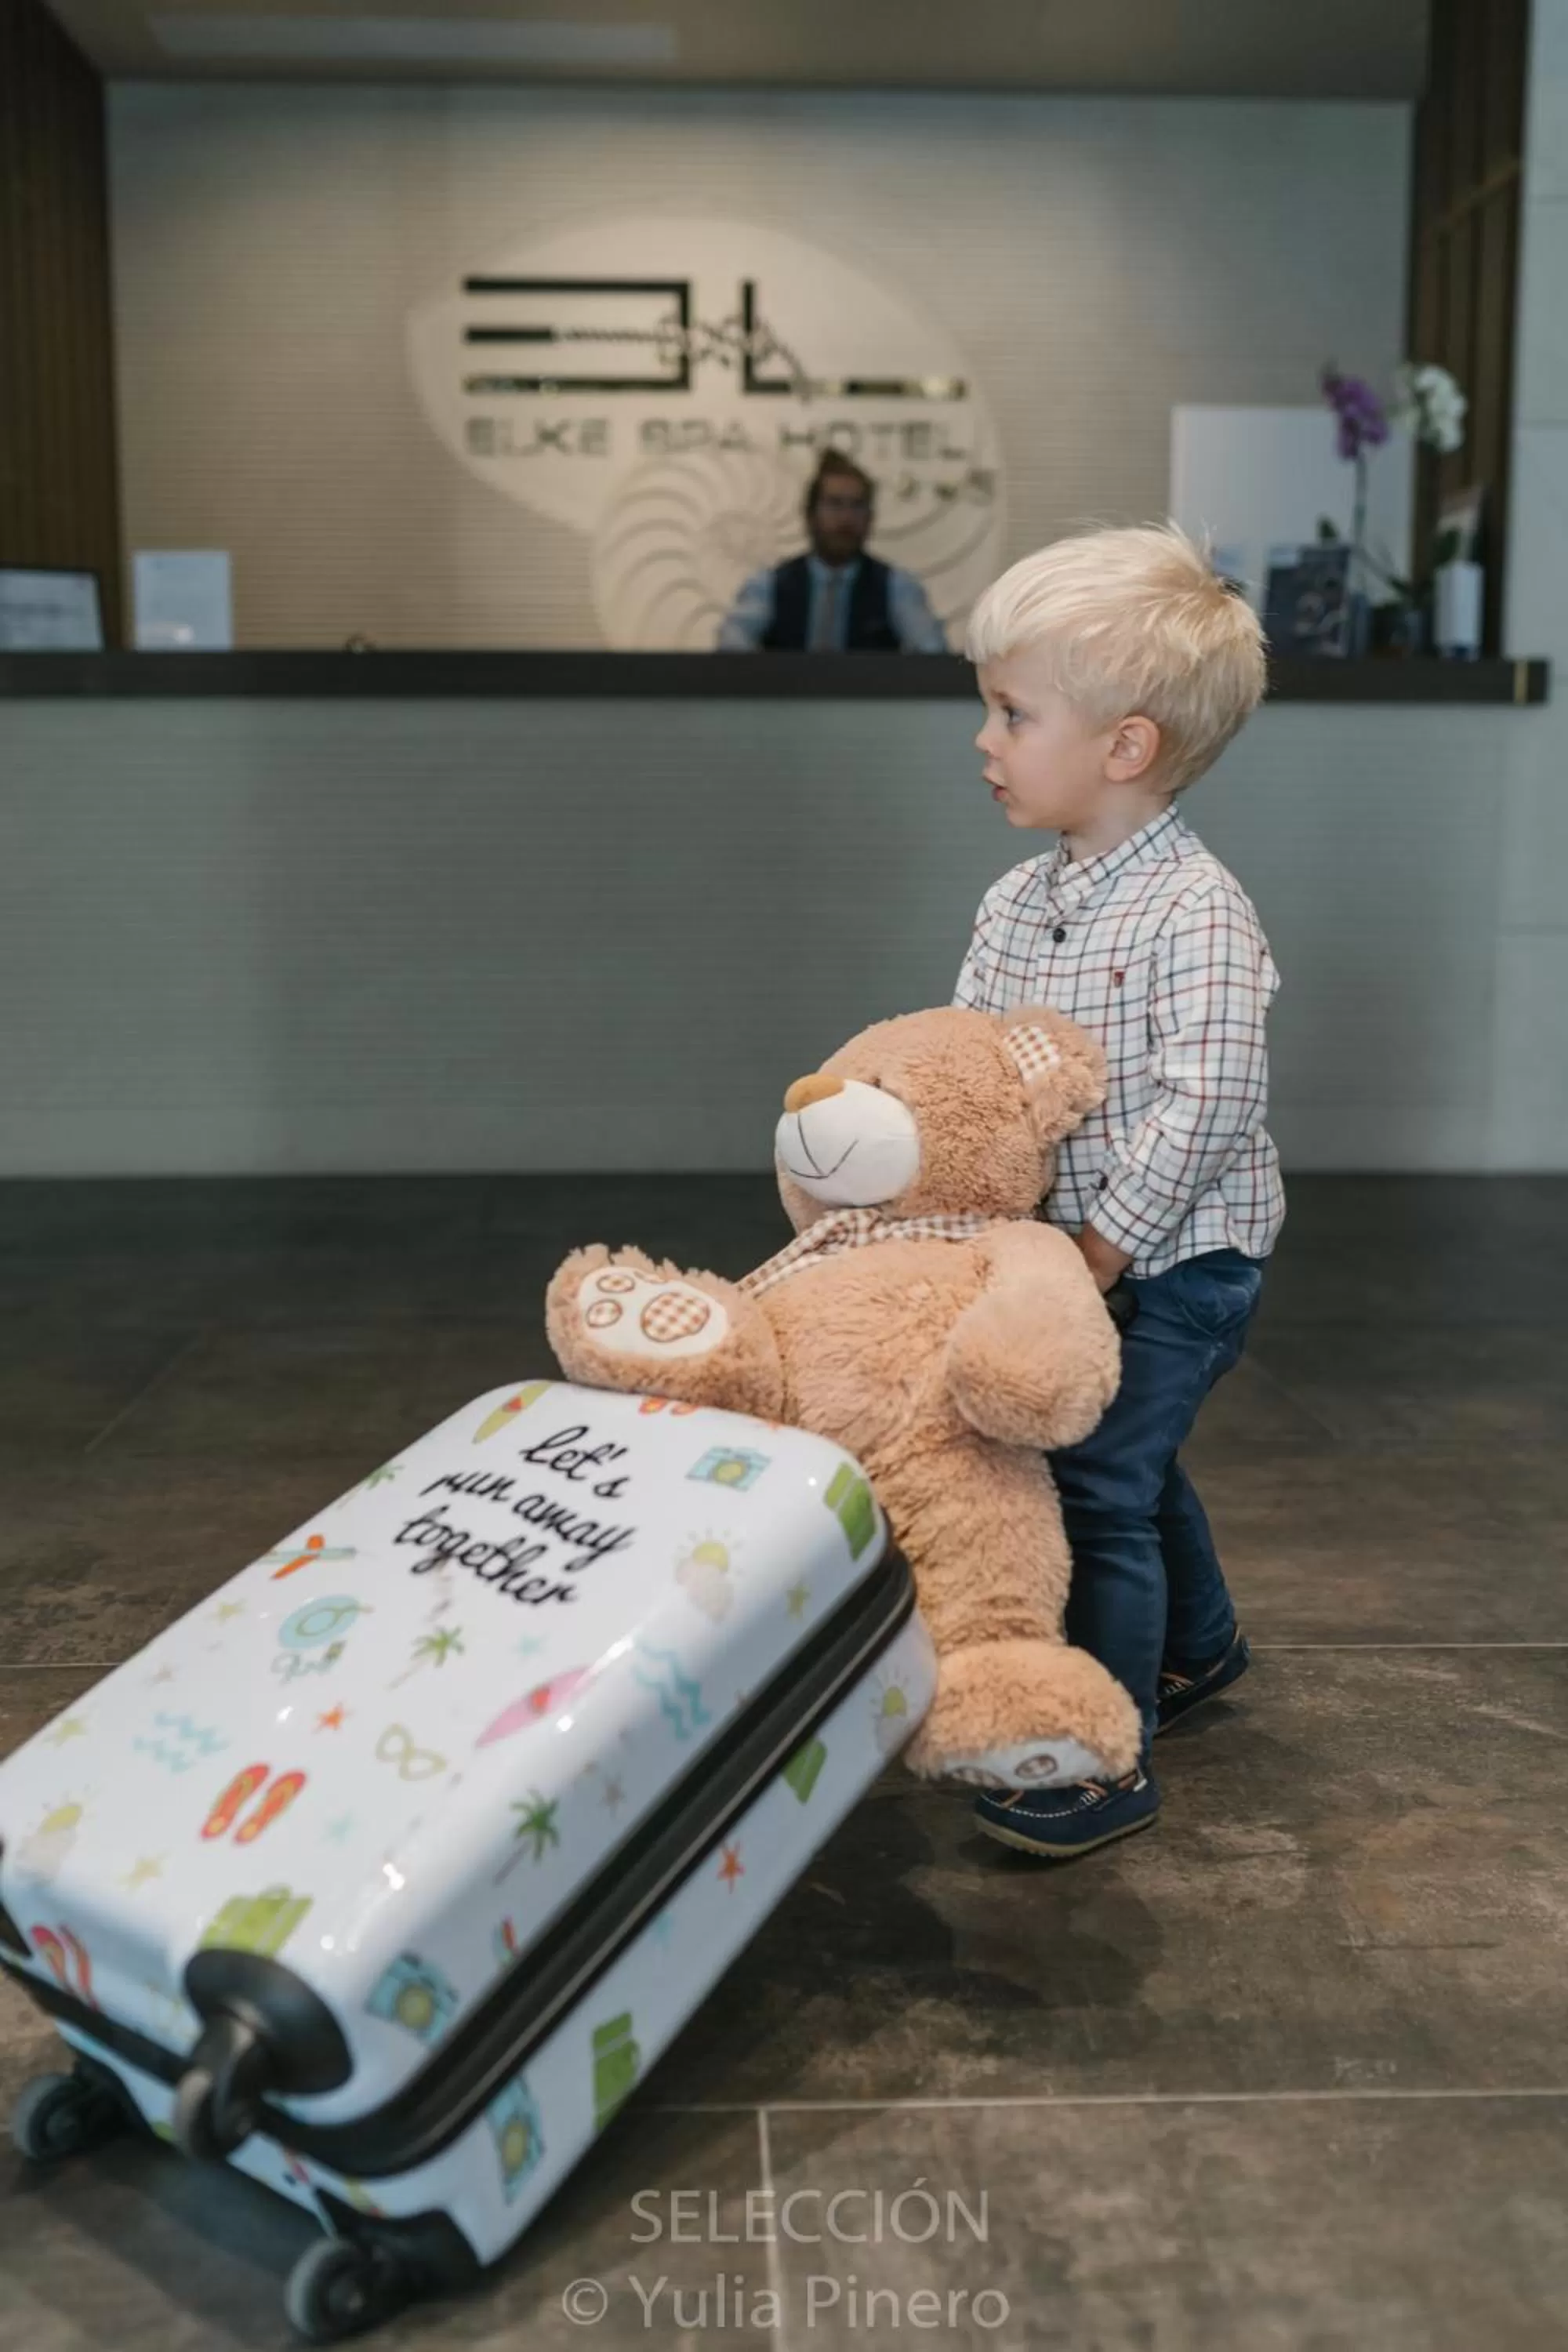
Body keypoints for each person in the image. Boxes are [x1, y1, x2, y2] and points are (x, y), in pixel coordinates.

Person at [953, 523, 1283, 1860]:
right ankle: (1199, 1649)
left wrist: (1097, 1248)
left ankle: (1099, 1754)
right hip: (1067, 1253)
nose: (984, 737)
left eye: (1012, 711)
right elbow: (975, 1068)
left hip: (1181, 1263)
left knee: (1096, 1480)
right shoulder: (1015, 905)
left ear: (1124, 746)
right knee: (1134, 1464)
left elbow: (1211, 1105)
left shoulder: (1197, 914)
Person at [716, 451, 947, 653]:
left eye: (857, 506)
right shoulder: (770, 584)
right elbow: (733, 647)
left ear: (870, 518)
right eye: (835, 504)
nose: (846, 519)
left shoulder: (896, 586)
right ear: (810, 514)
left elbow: (931, 651)